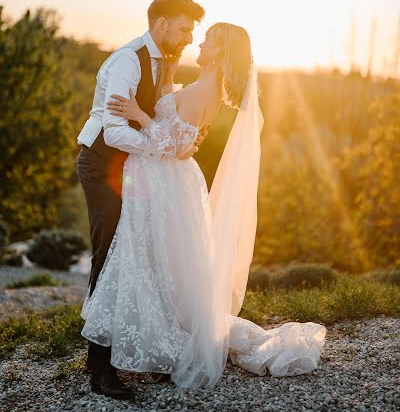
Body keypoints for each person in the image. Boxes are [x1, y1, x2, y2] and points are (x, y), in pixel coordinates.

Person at [80, 22, 327, 392]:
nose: (201, 42)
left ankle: (138, 352)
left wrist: (138, 111)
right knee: (162, 265)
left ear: (221, 52)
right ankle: (134, 350)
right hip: (163, 179)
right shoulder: (203, 86)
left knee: (147, 261)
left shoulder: (204, 89)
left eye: (209, 39)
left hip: (164, 179)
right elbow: (180, 129)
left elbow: (176, 146)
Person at [76, 0, 206, 399]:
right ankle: (99, 366)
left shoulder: (163, 60)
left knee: (141, 251)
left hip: (133, 168)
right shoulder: (126, 62)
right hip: (102, 165)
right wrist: (163, 146)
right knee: (112, 251)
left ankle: (140, 346)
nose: (188, 38)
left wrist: (181, 135)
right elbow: (113, 131)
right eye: (184, 29)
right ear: (162, 24)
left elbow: (164, 110)